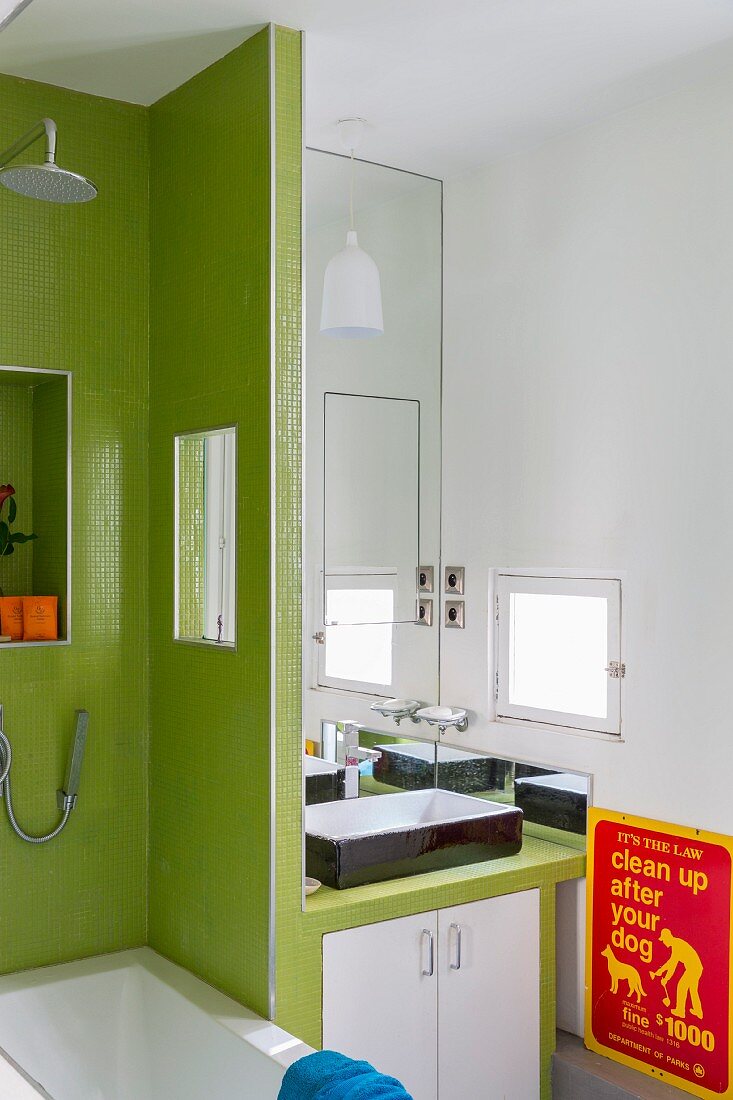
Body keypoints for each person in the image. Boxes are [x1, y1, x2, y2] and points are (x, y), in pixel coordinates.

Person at [652, 929, 703, 1020]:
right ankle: (698, 1011)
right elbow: (670, 962)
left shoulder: (676, 945)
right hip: (697, 968)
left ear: (667, 937)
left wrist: (666, 979)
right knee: (692, 990)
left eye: (663, 940)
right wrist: (660, 971)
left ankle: (680, 1011)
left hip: (693, 968)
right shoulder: (676, 943)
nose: (663, 943)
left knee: (682, 986)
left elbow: (672, 966)